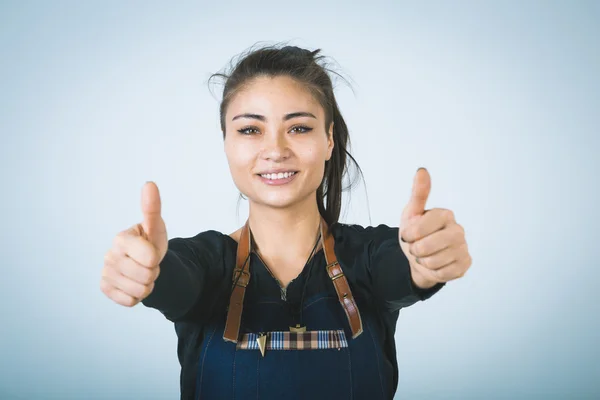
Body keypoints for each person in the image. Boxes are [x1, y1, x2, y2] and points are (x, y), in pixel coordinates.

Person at [100, 44, 472, 400]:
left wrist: (424, 263)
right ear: (226, 143)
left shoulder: (369, 257)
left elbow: (402, 268)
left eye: (298, 128)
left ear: (329, 140)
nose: (276, 150)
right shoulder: (205, 263)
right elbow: (176, 282)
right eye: (250, 129)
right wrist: (150, 271)